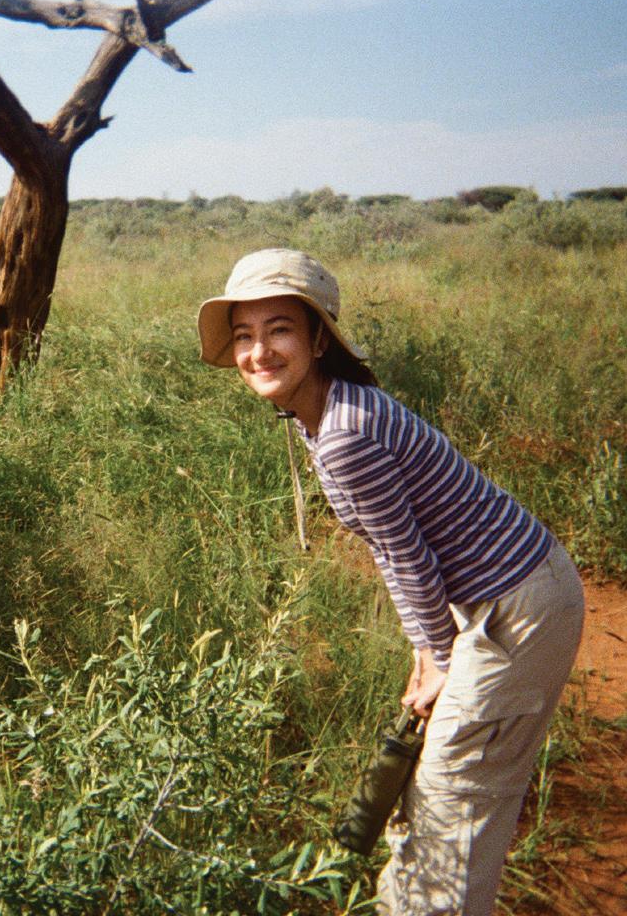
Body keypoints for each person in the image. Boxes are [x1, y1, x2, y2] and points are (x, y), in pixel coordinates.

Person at [196, 248, 585, 915]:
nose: (258, 352)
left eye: (279, 329)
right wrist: (428, 651)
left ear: (319, 339)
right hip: (500, 598)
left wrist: (438, 656)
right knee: (433, 793)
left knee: (452, 809)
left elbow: (405, 556)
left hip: (514, 610)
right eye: (243, 335)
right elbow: (402, 548)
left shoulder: (345, 434)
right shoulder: (330, 411)